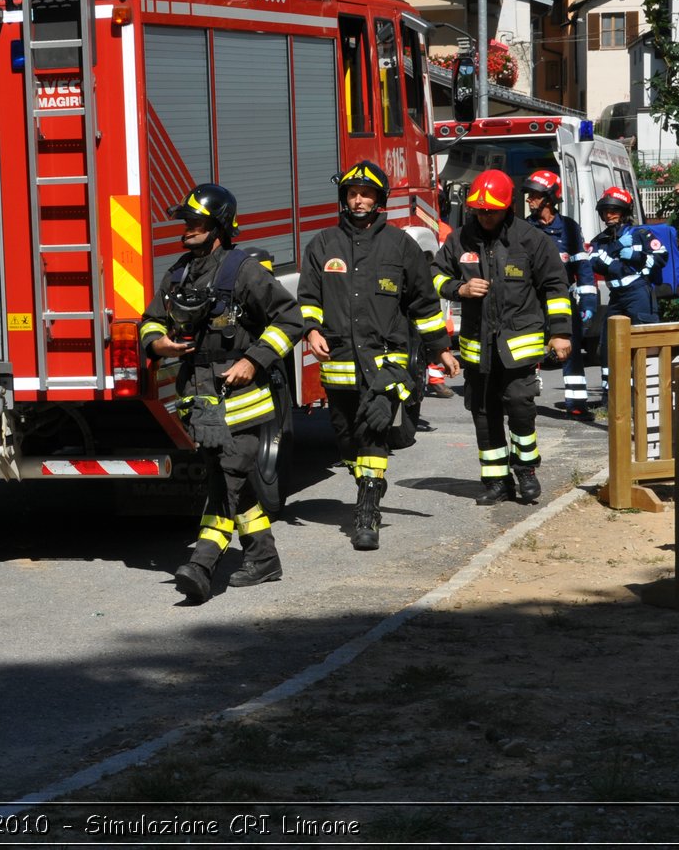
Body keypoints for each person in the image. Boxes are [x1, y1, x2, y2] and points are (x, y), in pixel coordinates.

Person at [140, 184, 302, 602]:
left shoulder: (244, 271)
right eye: (185, 222)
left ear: (219, 226)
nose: (187, 228)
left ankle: (202, 565)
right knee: (230, 479)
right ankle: (264, 559)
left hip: (243, 401)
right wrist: (158, 344)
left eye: (196, 222)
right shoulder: (178, 273)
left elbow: (290, 320)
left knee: (226, 480)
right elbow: (151, 320)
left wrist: (254, 360)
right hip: (199, 400)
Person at [298, 161, 459, 550]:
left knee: (373, 428)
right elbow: (308, 299)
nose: (358, 200)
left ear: (379, 200)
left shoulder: (400, 246)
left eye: (366, 194)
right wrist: (312, 330)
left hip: (386, 362)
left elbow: (423, 304)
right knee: (346, 437)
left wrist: (440, 349)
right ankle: (369, 478)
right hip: (338, 364)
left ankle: (366, 511)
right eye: (353, 193)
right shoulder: (322, 244)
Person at [432, 169, 573, 506]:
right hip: (478, 349)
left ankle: (525, 470)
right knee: (484, 414)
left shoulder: (531, 240)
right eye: (479, 210)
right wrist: (459, 288)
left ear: (507, 207)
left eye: (491, 211)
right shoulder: (460, 239)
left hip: (518, 345)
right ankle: (496, 481)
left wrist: (561, 333)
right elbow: (434, 276)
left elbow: (555, 287)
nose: (484, 216)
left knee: (521, 408)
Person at [523, 170, 596, 418]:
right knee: (527, 350)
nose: (528, 200)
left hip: (562, 300)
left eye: (534, 195)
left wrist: (588, 301)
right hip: (531, 301)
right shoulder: (524, 229)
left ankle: (576, 403)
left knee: (571, 351)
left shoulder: (569, 228)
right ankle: (522, 402)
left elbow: (582, 266)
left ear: (549, 198)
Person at [581, 187, 663, 393]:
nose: (609, 215)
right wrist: (617, 249)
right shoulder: (601, 240)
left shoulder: (642, 234)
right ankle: (611, 396)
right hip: (616, 297)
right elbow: (594, 263)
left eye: (614, 210)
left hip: (639, 293)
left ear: (625, 212)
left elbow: (660, 258)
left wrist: (635, 256)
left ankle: (645, 393)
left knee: (643, 343)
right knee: (608, 345)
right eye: (606, 211)